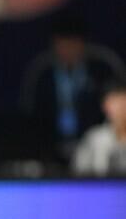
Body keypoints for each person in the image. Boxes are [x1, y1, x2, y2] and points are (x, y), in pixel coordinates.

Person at [20, 17, 125, 169]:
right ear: (54, 44)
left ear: (83, 44)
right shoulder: (42, 73)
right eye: (62, 44)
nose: (68, 50)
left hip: (92, 144)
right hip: (51, 149)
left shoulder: (103, 68)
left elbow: (117, 106)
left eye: (72, 44)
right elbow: (30, 115)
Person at [72, 79, 126, 176]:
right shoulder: (95, 139)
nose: (121, 107)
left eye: (122, 102)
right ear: (105, 106)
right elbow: (77, 175)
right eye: (115, 102)